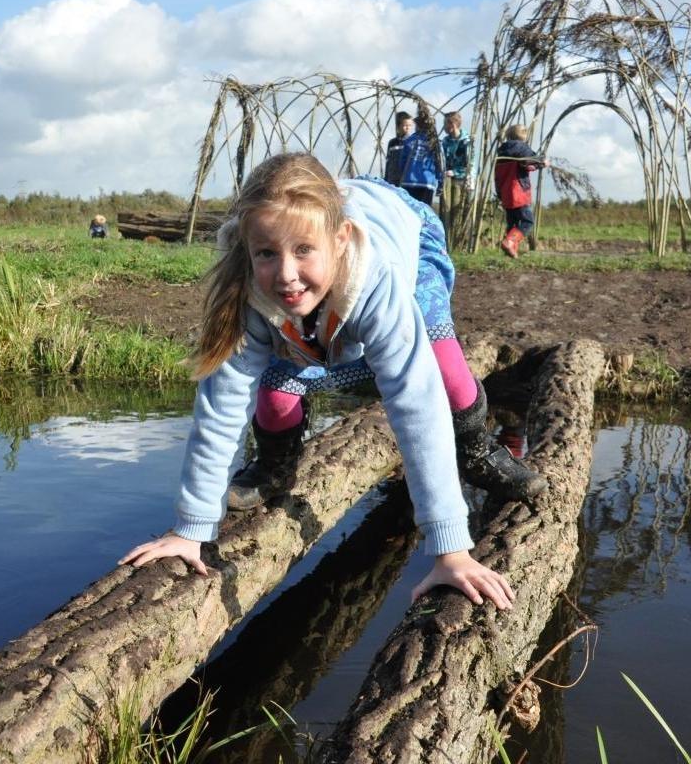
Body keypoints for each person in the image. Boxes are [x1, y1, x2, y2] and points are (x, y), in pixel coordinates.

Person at [120, 153, 546, 609]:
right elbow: (221, 409)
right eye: (267, 253)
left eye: (303, 250)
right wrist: (192, 528)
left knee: (442, 370)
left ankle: (475, 447)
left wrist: (452, 550)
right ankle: (275, 463)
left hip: (407, 235)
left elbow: (414, 403)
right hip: (323, 275)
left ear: (340, 240)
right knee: (276, 394)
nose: (286, 273)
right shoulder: (249, 290)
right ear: (248, 249)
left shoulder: (376, 278)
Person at [494, 125, 549, 259]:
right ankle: (510, 242)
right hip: (518, 192)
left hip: (505, 193)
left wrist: (500, 194)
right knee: (527, 222)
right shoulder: (522, 148)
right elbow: (533, 159)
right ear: (524, 136)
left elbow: (524, 164)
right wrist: (543, 162)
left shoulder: (501, 152)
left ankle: (511, 251)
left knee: (512, 223)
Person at [399, 114, 443, 207]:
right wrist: (440, 182)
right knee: (424, 212)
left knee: (409, 210)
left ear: (418, 126)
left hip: (409, 182)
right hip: (427, 183)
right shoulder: (436, 143)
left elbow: (402, 163)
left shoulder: (409, 141)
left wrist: (401, 175)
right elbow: (441, 165)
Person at [440, 112, 473, 234]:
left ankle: (459, 239)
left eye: (445, 124)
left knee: (458, 209)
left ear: (452, 124)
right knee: (446, 210)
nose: (443, 127)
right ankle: (446, 237)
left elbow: (470, 164)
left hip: (462, 180)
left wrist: (455, 172)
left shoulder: (466, 142)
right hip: (447, 180)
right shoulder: (445, 141)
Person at [384, 111, 414, 187]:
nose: (408, 128)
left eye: (410, 125)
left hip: (406, 179)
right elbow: (388, 162)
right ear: (398, 126)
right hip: (392, 179)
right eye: (405, 125)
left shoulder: (412, 142)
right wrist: (386, 178)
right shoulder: (392, 143)